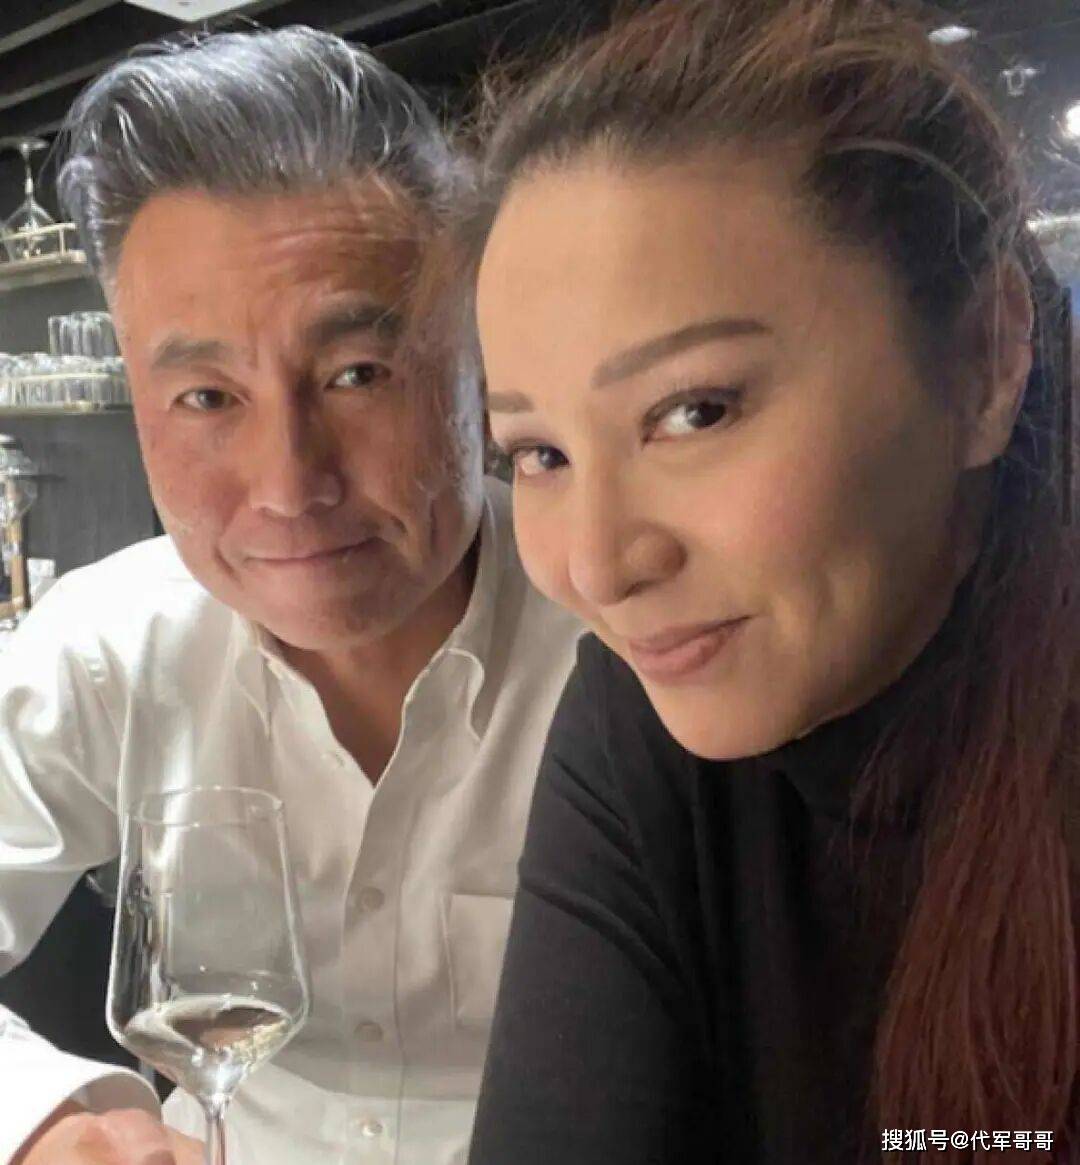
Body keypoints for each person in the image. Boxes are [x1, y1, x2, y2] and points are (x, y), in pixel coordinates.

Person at [456, 0, 1080, 1161]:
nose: (596, 564)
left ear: (984, 357)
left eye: (695, 411)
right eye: (537, 454)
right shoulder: (638, 725)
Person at [0, 26, 581, 1165]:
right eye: (207, 397)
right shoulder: (109, 649)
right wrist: (48, 1124)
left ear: (478, 359)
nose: (289, 486)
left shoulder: (624, 635)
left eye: (358, 374)